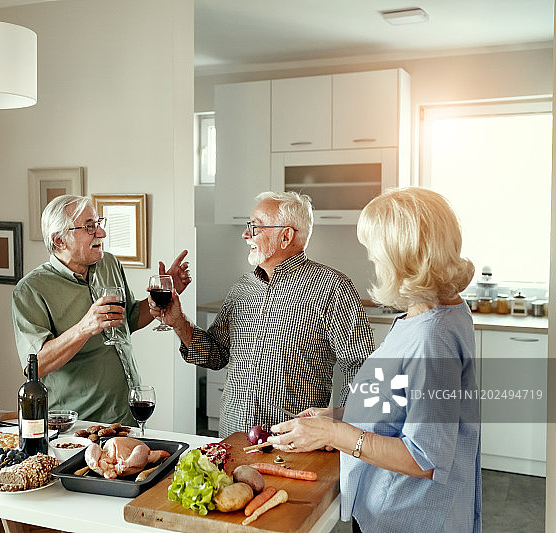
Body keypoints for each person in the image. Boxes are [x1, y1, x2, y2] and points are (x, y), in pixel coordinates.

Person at [268, 187, 481, 533]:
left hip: (409, 517)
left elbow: (423, 457)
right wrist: (340, 415)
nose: (374, 262)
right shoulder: (431, 309)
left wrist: (335, 433)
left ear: (404, 255)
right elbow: (402, 400)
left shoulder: (433, 337)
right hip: (388, 507)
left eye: (375, 253)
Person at [150, 191, 373, 438]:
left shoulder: (332, 287)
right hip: (232, 437)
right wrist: (178, 322)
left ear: (286, 236)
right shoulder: (241, 288)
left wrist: (342, 429)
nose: (245, 234)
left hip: (293, 441)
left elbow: (361, 366)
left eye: (255, 227)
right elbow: (216, 355)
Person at [12, 194, 191, 425]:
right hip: (79, 425)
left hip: (126, 416)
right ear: (59, 240)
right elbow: (36, 365)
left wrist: (165, 294)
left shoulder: (109, 263)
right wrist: (85, 328)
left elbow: (130, 319)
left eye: (98, 223)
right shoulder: (30, 289)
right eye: (89, 227)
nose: (101, 233)